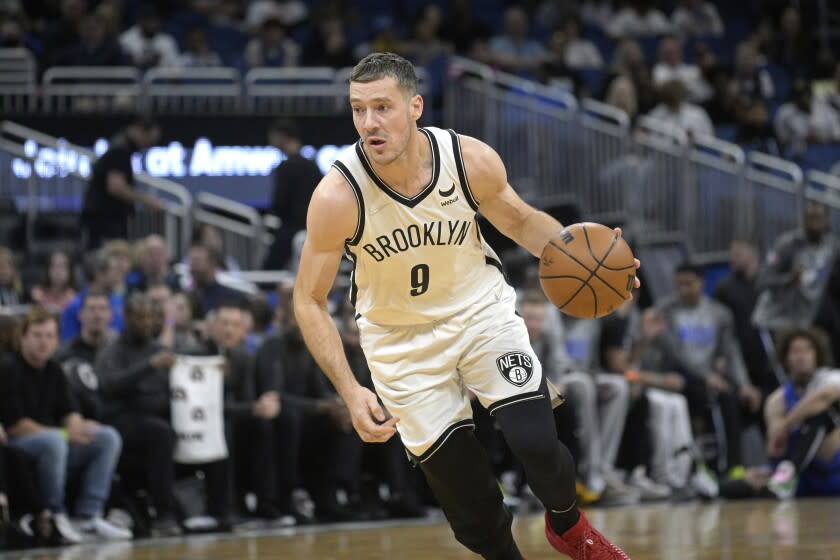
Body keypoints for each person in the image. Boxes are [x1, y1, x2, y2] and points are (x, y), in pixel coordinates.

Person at [293, 52, 640, 560]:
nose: (369, 122)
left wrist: (592, 258)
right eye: (358, 109)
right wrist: (350, 388)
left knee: (538, 443)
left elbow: (520, 222)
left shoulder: (467, 160)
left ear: (415, 107)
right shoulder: (337, 196)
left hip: (482, 316)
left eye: (382, 107)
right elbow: (307, 299)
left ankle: (569, 527)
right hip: (401, 344)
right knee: (473, 507)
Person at [0, 307, 130, 542]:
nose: (43, 342)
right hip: (19, 445)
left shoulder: (55, 370)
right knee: (54, 442)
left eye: (49, 336)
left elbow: (70, 411)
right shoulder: (9, 368)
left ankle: (89, 515)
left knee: (107, 436)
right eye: (37, 335)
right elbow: (14, 425)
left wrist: (77, 426)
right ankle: (55, 514)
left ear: (57, 340)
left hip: (54, 443)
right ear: (23, 338)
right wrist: (63, 433)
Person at [659, 263, 762, 474]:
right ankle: (712, 468)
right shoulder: (666, 311)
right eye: (679, 285)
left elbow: (731, 352)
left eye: (689, 284)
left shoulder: (719, 313)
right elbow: (675, 354)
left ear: (702, 282)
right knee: (715, 397)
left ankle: (735, 466)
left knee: (735, 398)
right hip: (680, 376)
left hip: (712, 378)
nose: (683, 290)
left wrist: (744, 385)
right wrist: (706, 376)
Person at [94, 294, 182, 536]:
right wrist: (149, 366)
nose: (145, 322)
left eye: (149, 317)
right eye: (139, 317)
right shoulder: (112, 351)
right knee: (160, 432)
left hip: (155, 417)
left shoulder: (160, 349)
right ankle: (164, 514)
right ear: (126, 318)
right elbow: (109, 385)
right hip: (122, 420)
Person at [764, 328, 840, 498]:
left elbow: (824, 397)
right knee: (745, 484)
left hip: (833, 470)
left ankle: (790, 470)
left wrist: (786, 422)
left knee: (822, 415)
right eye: (796, 351)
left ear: (817, 355)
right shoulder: (777, 399)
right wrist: (775, 436)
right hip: (802, 477)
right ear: (786, 358)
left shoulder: (832, 378)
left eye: (807, 350)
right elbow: (774, 444)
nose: (801, 356)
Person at [753, 201, 840, 330]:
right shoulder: (787, 244)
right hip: (773, 322)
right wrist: (788, 280)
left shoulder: (832, 247)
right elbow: (762, 280)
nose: (813, 223)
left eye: (818, 217)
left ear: (827, 220)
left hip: (805, 323)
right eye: (809, 217)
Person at [80, 115, 164, 249]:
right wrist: (145, 200)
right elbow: (116, 187)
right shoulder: (120, 150)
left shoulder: (121, 147)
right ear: (141, 131)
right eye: (149, 140)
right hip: (104, 222)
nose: (148, 145)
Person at [264, 119, 323, 270]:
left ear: (282, 136)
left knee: (267, 274)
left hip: (291, 230)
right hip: (314, 230)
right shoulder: (313, 166)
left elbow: (279, 204)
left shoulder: (285, 167)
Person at [54, 291, 113, 421]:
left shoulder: (119, 350)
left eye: (102, 309)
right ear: (80, 315)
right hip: (79, 417)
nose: (97, 315)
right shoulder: (64, 354)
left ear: (110, 315)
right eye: (91, 309)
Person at [60, 251, 124, 342]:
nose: (118, 274)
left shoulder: (119, 301)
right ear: (99, 275)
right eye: (113, 270)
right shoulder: (74, 306)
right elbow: (68, 341)